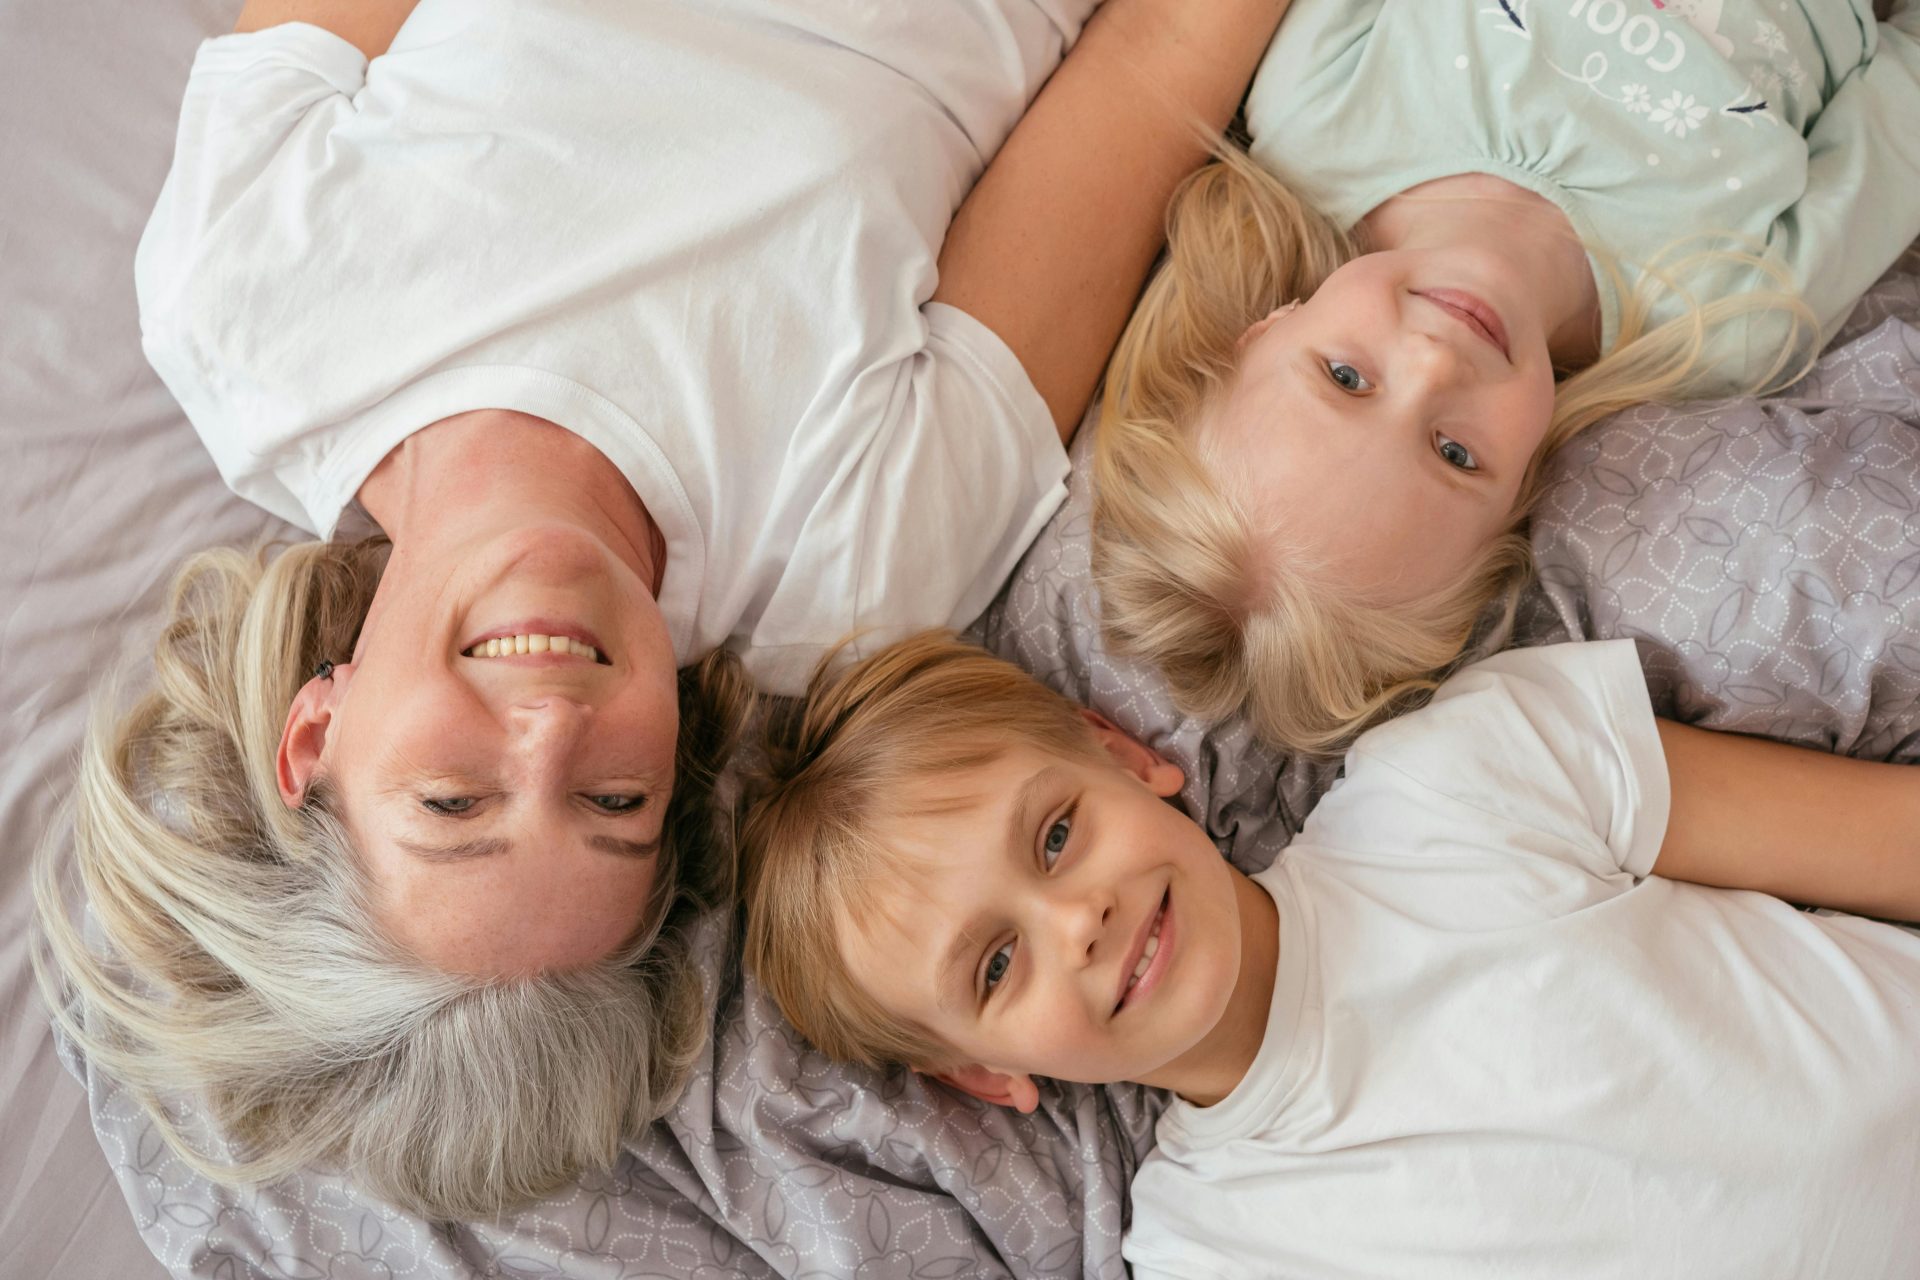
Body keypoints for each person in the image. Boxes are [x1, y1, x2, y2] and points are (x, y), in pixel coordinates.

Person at [35, 0, 1296, 1220]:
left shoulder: (241, 305)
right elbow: (1156, 56)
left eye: (454, 801)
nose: (547, 725)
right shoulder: (855, 559)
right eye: (613, 802)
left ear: (316, 737)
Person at [741, 630, 1920, 1277]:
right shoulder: (1215, 1252)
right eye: (994, 967)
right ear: (983, 1077)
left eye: (1055, 834)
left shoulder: (1461, 778)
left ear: (1121, 752)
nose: (1076, 920)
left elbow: (1894, 841)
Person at [1092, 0, 1920, 754]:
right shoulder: (1727, 320)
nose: (1436, 362)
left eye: (1346, 377)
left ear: (1262, 329)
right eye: (1454, 454)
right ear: (1523, 494)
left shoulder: (1321, 113)